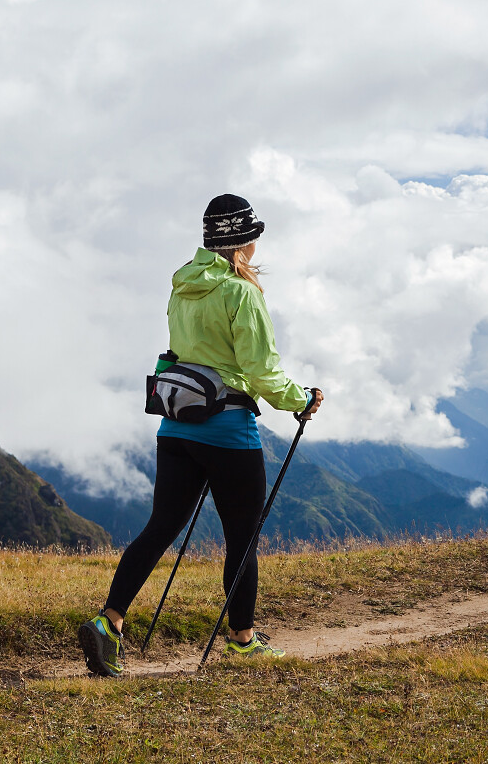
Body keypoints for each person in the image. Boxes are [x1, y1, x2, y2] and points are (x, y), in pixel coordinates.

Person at [78, 193, 322, 678]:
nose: (255, 243)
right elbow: (260, 370)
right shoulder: (242, 293)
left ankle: (109, 623)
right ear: (242, 242)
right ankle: (243, 641)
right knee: (242, 539)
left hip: (176, 426)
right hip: (228, 431)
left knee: (160, 527)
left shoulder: (182, 286)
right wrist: (302, 399)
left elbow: (180, 352)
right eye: (253, 235)